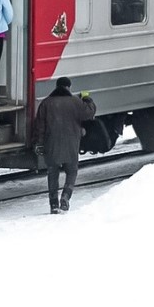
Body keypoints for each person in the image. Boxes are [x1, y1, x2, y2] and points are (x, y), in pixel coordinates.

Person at [33, 76, 96, 214]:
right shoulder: (75, 102)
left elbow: (40, 127)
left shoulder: (46, 103)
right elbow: (89, 113)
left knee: (52, 172)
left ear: (57, 87)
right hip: (71, 143)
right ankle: (66, 196)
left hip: (52, 144)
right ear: (68, 87)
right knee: (72, 171)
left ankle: (53, 204)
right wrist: (87, 99)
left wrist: (39, 143)